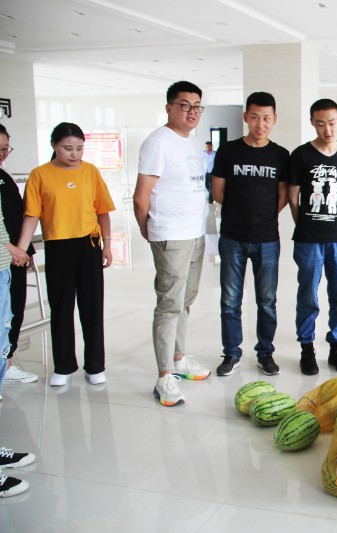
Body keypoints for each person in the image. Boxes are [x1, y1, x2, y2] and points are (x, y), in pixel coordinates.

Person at [15, 122, 115, 387]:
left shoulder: (90, 172)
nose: (74, 154)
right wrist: (21, 249)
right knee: (60, 307)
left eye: (80, 148)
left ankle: (95, 366)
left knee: (92, 307)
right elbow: (32, 215)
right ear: (54, 145)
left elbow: (103, 211)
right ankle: (64, 366)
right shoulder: (40, 175)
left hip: (89, 245)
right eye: (68, 148)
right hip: (58, 247)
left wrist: (107, 245)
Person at [134, 81, 210, 406]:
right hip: (171, 234)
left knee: (186, 298)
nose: (192, 111)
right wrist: (149, 229)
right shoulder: (158, 142)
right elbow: (141, 197)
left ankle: (179, 358)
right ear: (169, 107)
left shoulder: (191, 141)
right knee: (169, 304)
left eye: (197, 106)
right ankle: (164, 375)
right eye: (184, 105)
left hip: (195, 232)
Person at [212, 92, 289, 377]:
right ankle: (231, 353)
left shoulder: (280, 155)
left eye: (266, 118)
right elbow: (217, 191)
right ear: (246, 117)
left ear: (274, 119)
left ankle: (265, 353)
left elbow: (282, 195)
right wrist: (239, 213)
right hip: (232, 237)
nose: (260, 124)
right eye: (255, 117)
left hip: (267, 239)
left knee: (267, 301)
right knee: (230, 300)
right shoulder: (228, 151)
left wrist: (263, 216)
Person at [288, 98, 337, 375]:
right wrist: (305, 223)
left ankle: (336, 347)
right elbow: (293, 197)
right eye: (320, 124)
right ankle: (307, 348)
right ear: (312, 124)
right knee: (308, 295)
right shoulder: (301, 154)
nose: (327, 129)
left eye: (331, 123)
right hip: (308, 238)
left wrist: (335, 218)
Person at [0, 124, 37, 383]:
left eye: (6, 148)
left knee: (14, 310)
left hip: (16, 255)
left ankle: (8, 361)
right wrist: (11, 249)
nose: (4, 154)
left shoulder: (5, 175)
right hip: (5, 255)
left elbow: (18, 215)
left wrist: (23, 250)